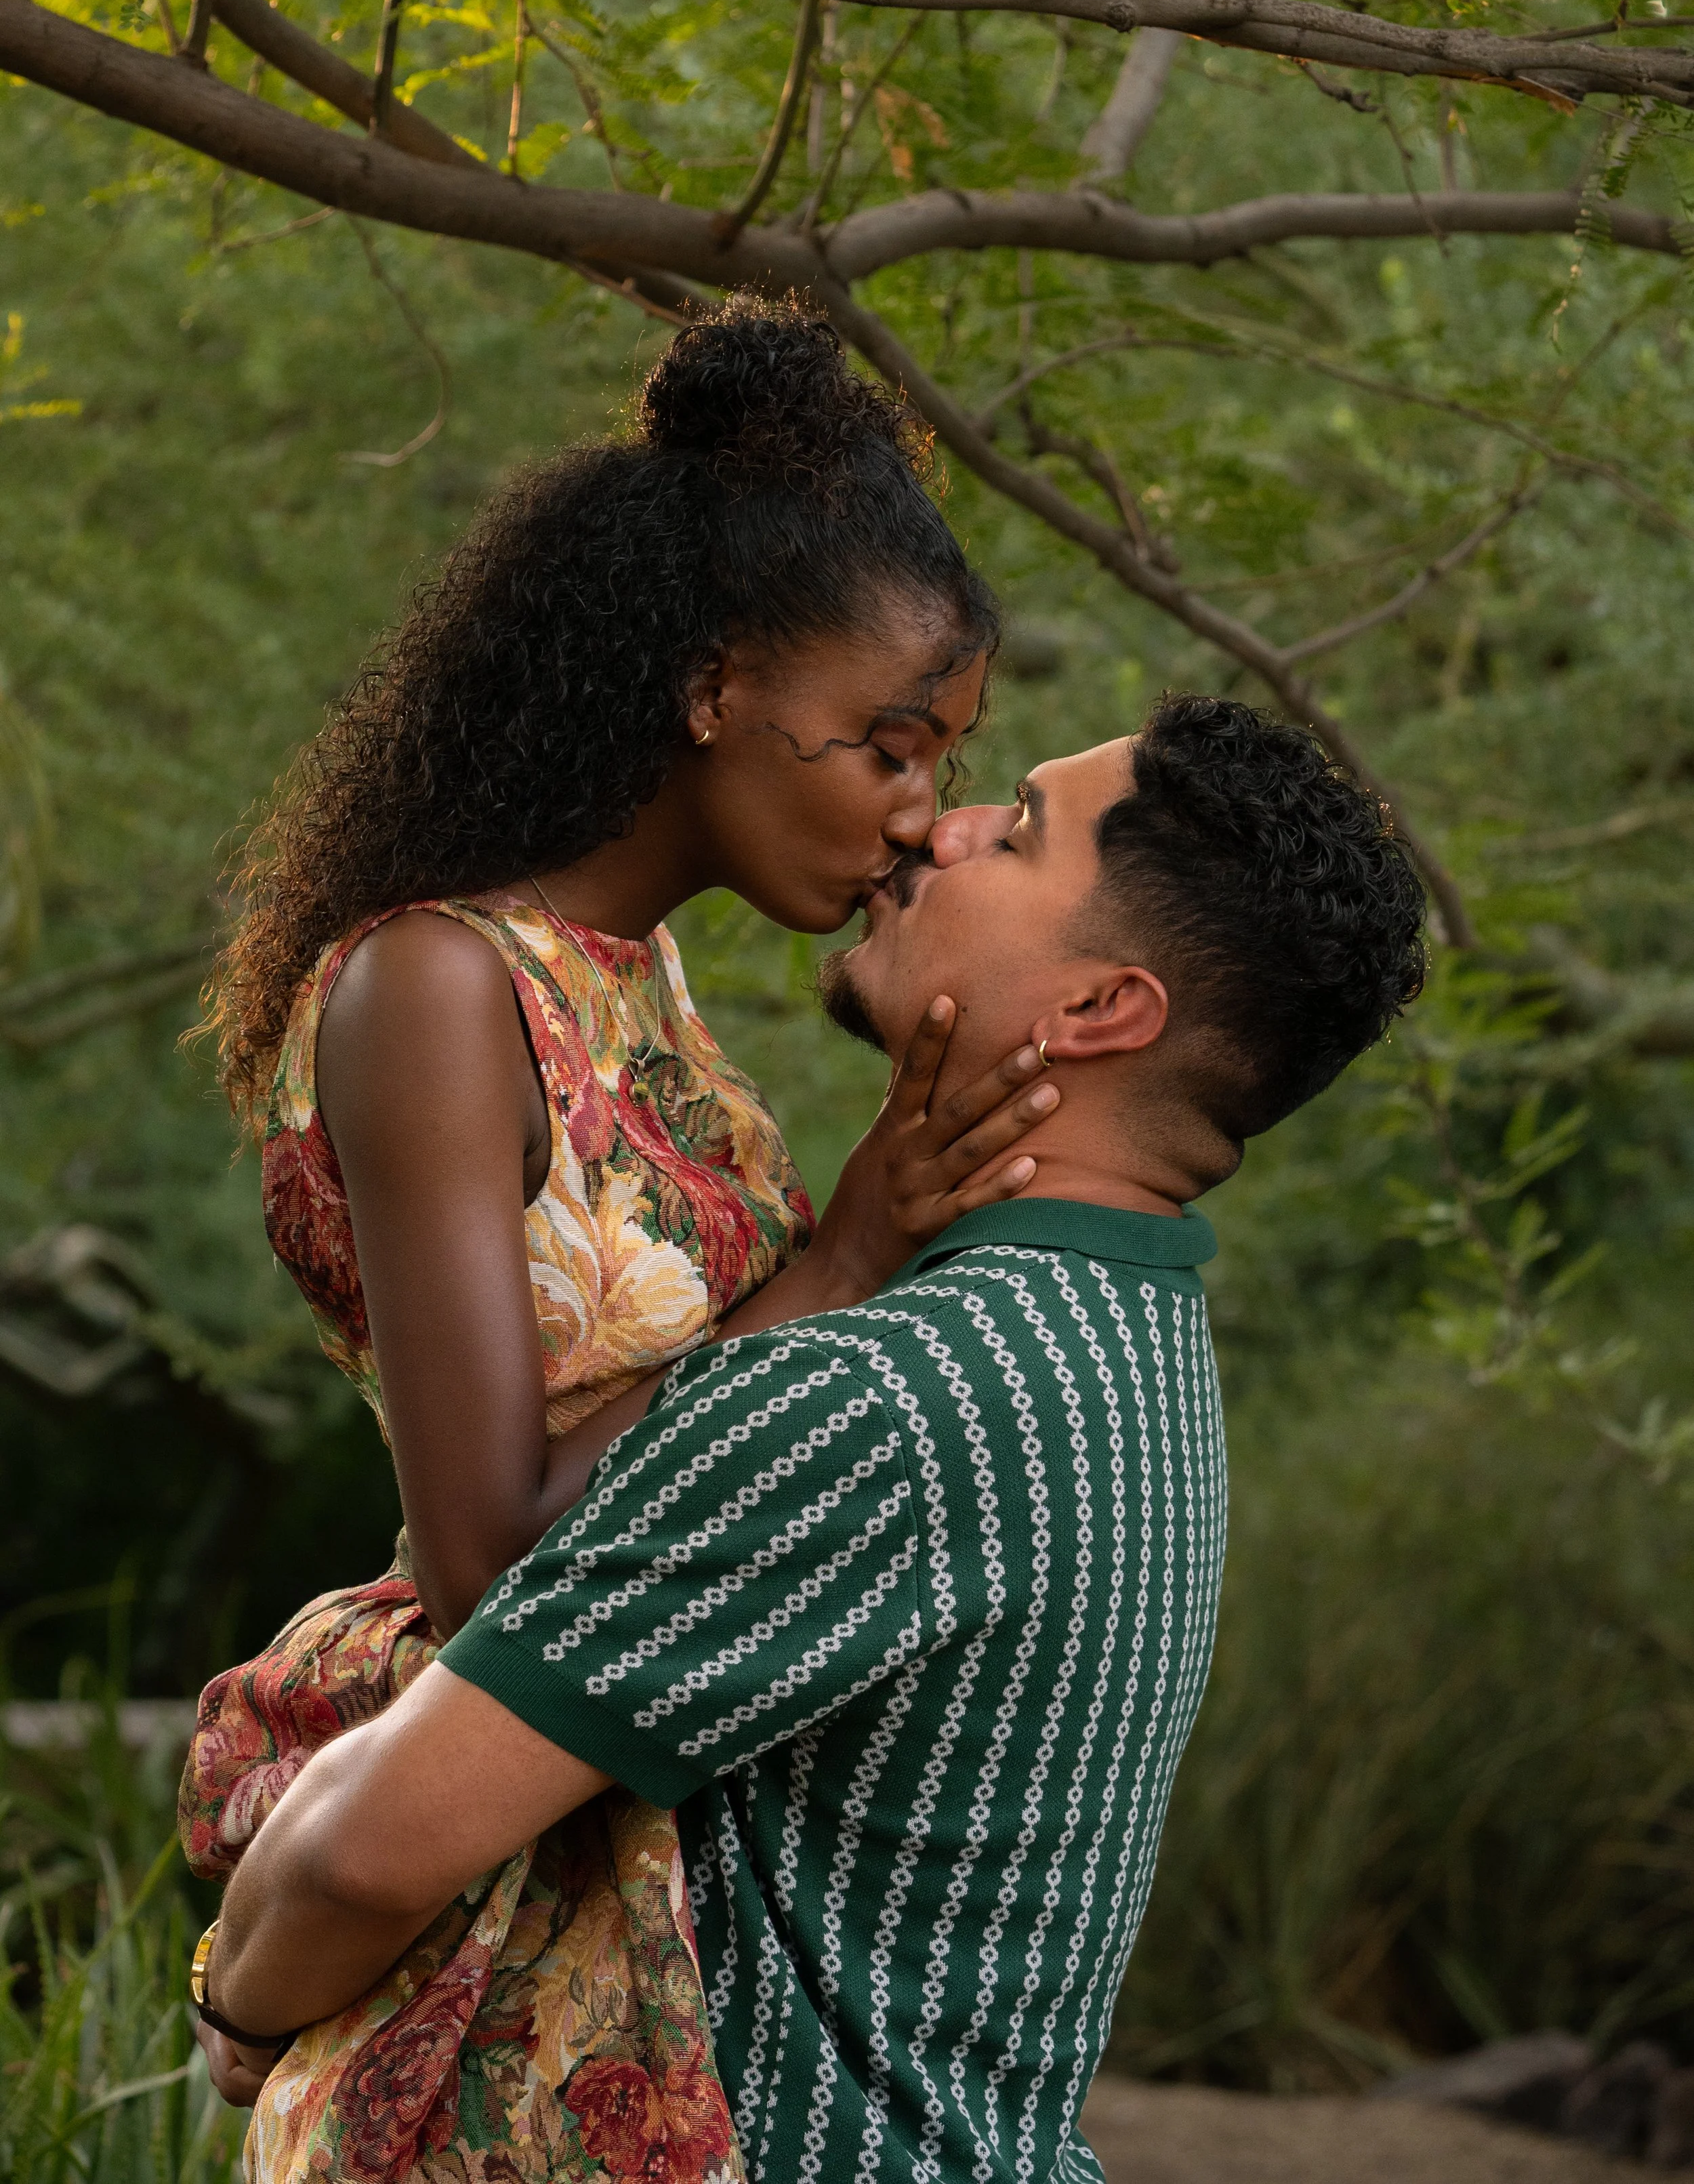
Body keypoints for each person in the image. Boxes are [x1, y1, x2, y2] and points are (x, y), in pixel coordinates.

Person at [194, 695, 1428, 2184]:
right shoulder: (1128, 1351)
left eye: (1013, 830)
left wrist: (240, 2005)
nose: (933, 825)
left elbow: (362, 1852)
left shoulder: (890, 1401)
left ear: (1097, 1011)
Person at [178, 299, 1059, 2184]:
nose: (917, 820)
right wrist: (849, 1250)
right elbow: (490, 1544)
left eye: (942, 759)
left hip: (630, 1878)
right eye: (889, 749)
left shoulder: (638, 980)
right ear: (711, 685)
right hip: (479, 1967)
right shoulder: (432, 986)